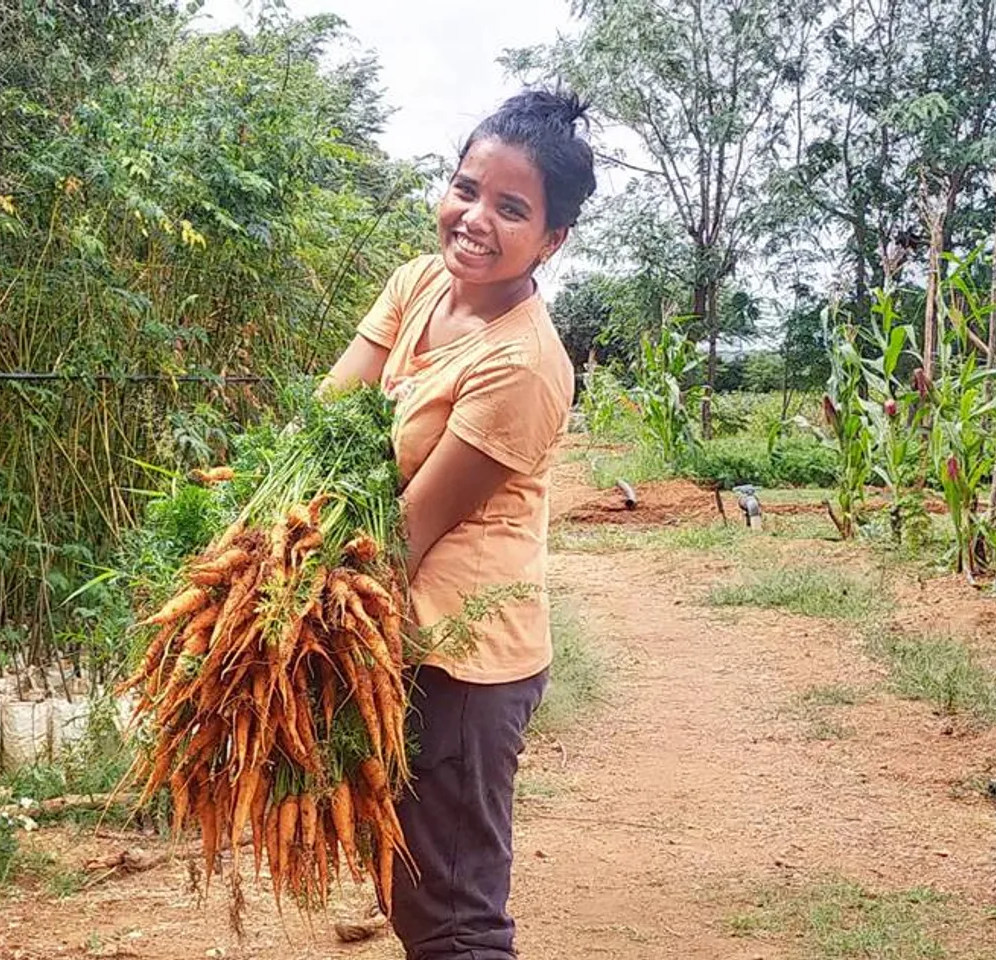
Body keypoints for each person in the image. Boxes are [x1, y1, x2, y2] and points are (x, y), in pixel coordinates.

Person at [322, 88, 597, 960]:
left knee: (452, 918)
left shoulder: (524, 363)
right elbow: (329, 419)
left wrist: (294, 603)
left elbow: (410, 532)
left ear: (551, 240)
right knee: (409, 884)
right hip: (399, 637)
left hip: (464, 659)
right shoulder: (418, 281)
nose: (474, 219)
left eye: (510, 209)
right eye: (465, 187)